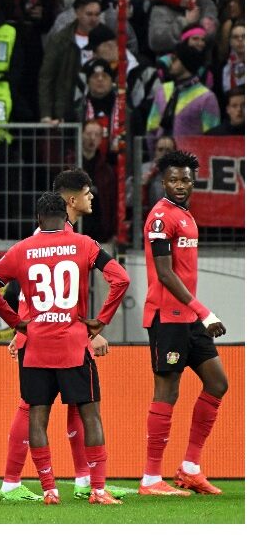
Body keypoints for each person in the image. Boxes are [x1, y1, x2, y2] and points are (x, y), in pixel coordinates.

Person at [0, 191, 130, 505]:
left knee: (37, 415)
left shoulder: (22, 249)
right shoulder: (85, 244)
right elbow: (121, 279)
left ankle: (49, 489)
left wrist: (15, 321)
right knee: (90, 415)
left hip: (36, 347)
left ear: (38, 218)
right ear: (65, 216)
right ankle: (97, 489)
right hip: (74, 344)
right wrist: (101, 320)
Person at [139, 150, 229, 496]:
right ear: (163, 182)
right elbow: (164, 273)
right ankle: (151, 478)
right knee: (167, 391)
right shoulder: (160, 217)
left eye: (186, 180)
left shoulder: (186, 215)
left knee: (217, 383)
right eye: (173, 179)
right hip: (167, 317)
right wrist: (203, 311)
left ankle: (190, 468)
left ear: (194, 182)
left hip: (190, 317)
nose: (180, 185)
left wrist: (197, 313)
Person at [38, 0, 102, 124]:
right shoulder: (60, 40)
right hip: (64, 110)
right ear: (77, 13)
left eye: (97, 14)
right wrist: (46, 113)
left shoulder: (105, 40)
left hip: (97, 110)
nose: (93, 19)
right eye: (89, 14)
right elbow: (46, 78)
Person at [146, 42, 220, 139]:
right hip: (162, 148)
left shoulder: (206, 97)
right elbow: (152, 127)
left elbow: (212, 136)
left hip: (190, 149)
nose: (170, 62)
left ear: (186, 62)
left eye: (175, 59)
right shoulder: (163, 90)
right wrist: (154, 148)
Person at [79, 120, 117, 243]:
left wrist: (112, 231)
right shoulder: (70, 165)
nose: (92, 138)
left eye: (96, 135)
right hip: (76, 229)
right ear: (81, 135)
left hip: (99, 233)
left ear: (101, 139)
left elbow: (112, 203)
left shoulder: (106, 170)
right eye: (89, 134)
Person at [220, 20, 244, 94]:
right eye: (235, 37)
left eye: (244, 36)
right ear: (230, 42)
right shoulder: (224, 67)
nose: (240, 40)